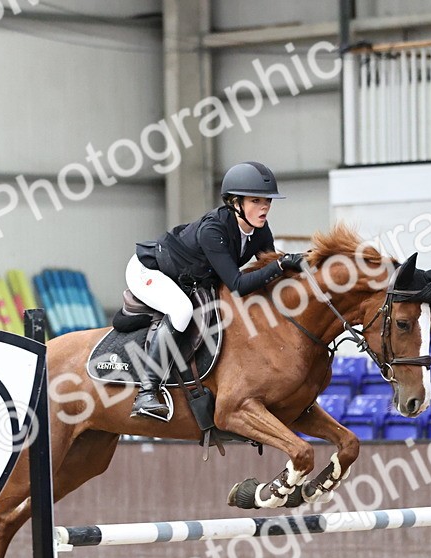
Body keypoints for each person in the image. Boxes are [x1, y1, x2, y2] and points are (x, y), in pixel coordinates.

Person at [127, 161, 306, 419]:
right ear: (235, 203)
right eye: (256, 200)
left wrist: (302, 267)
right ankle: (146, 392)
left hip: (191, 278)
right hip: (149, 271)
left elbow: (271, 270)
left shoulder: (260, 231)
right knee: (181, 311)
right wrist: (281, 263)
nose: (265, 206)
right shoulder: (214, 230)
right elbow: (238, 284)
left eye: (267, 200)